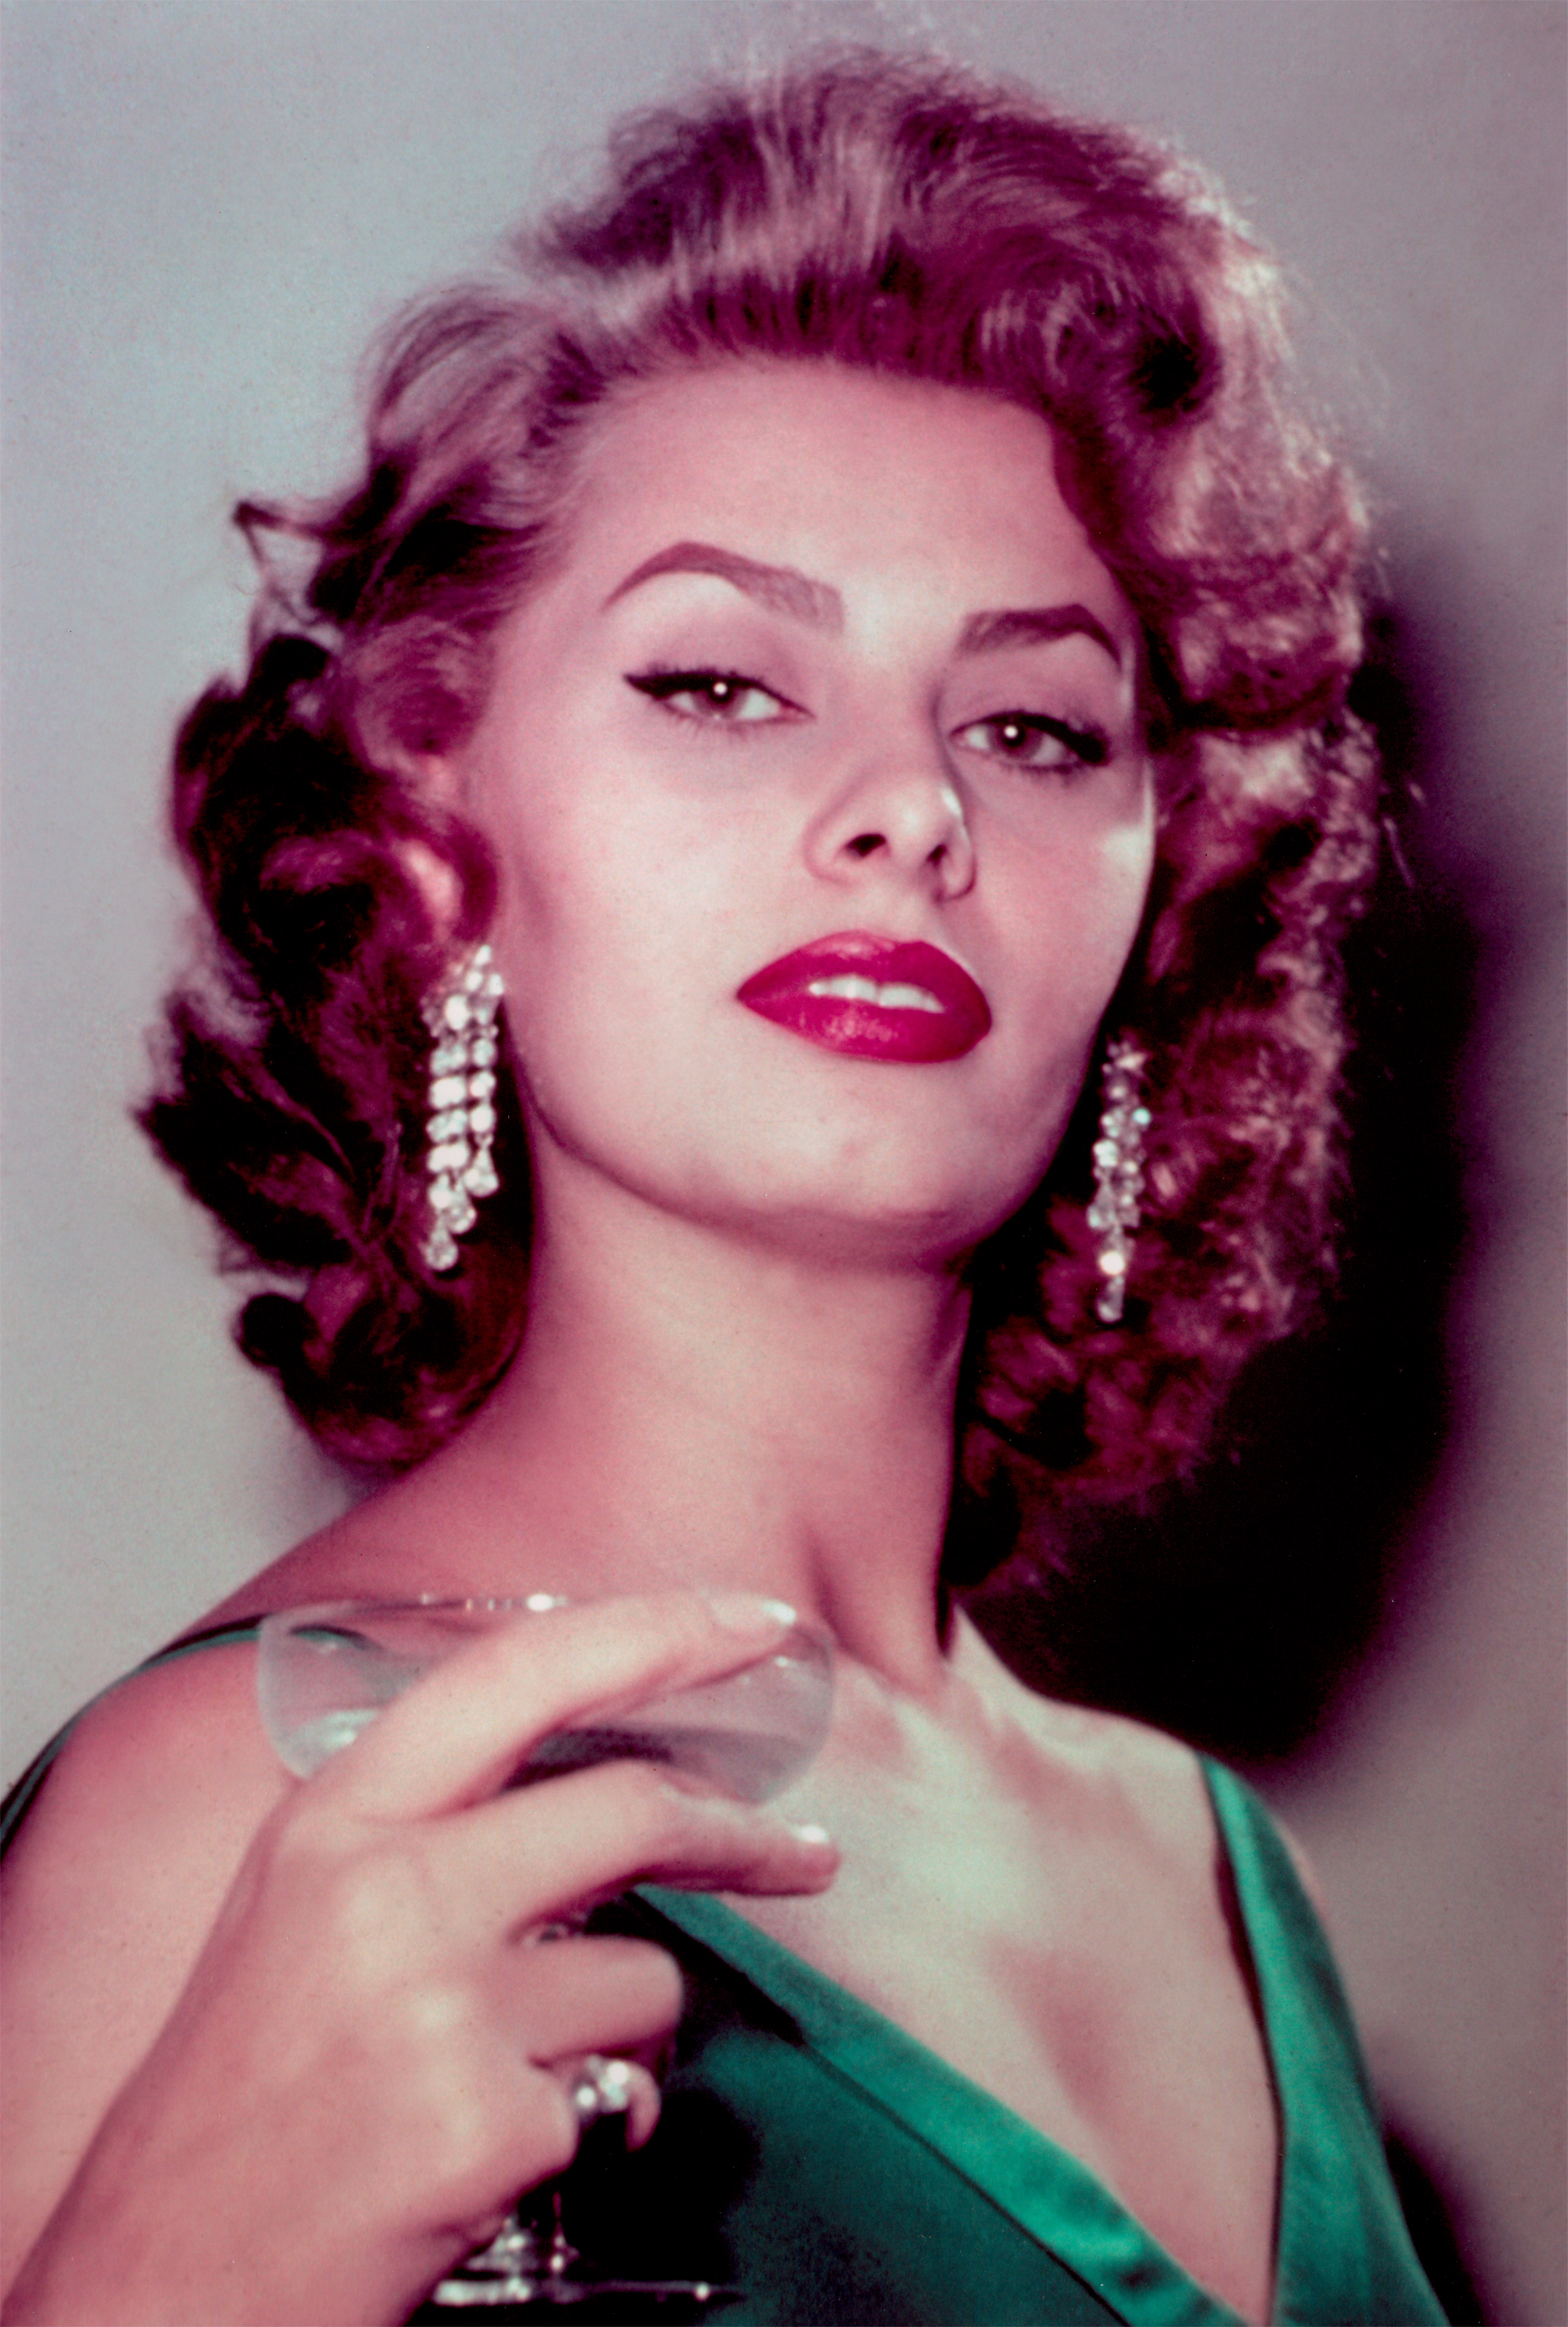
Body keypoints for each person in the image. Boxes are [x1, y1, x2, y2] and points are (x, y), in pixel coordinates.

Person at [0, 48, 1444, 2327]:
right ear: (433, 846)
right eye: (720, 684)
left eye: (1034, 726)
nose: (910, 807)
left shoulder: (1213, 1866)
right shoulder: (239, 1811)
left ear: (1154, 911)